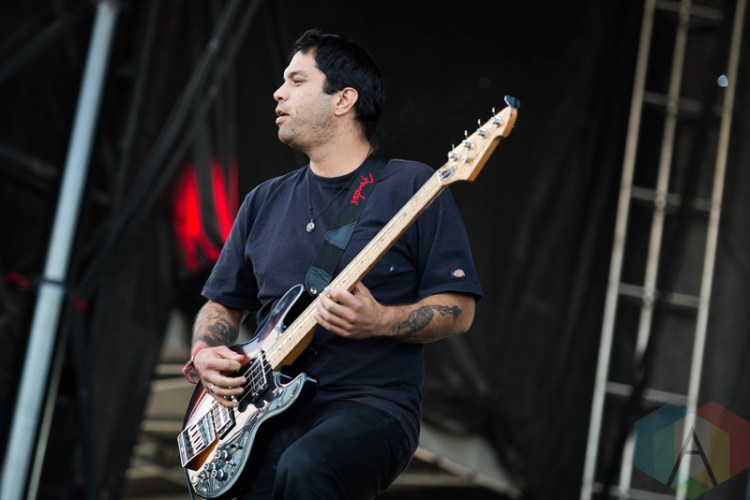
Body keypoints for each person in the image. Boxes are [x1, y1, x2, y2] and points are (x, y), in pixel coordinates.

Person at [186, 27, 483, 499]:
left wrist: (380, 320)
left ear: (344, 99)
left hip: (370, 405)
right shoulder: (263, 201)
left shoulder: (411, 187)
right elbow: (222, 303)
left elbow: (459, 310)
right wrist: (205, 353)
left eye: (297, 80)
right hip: (262, 413)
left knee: (308, 465)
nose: (278, 92)